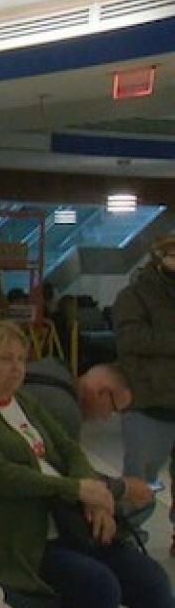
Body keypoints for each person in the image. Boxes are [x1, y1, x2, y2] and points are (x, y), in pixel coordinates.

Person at [0, 320, 175, 608]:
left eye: (21, 359)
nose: (17, 368)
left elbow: (71, 449)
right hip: (26, 540)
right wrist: (76, 489)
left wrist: (98, 501)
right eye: (5, 359)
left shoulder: (24, 402)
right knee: (98, 586)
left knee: (150, 579)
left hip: (70, 524)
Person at [112, 234, 175, 556]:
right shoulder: (134, 296)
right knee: (141, 480)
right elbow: (131, 341)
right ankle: (125, 536)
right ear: (159, 256)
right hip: (148, 402)